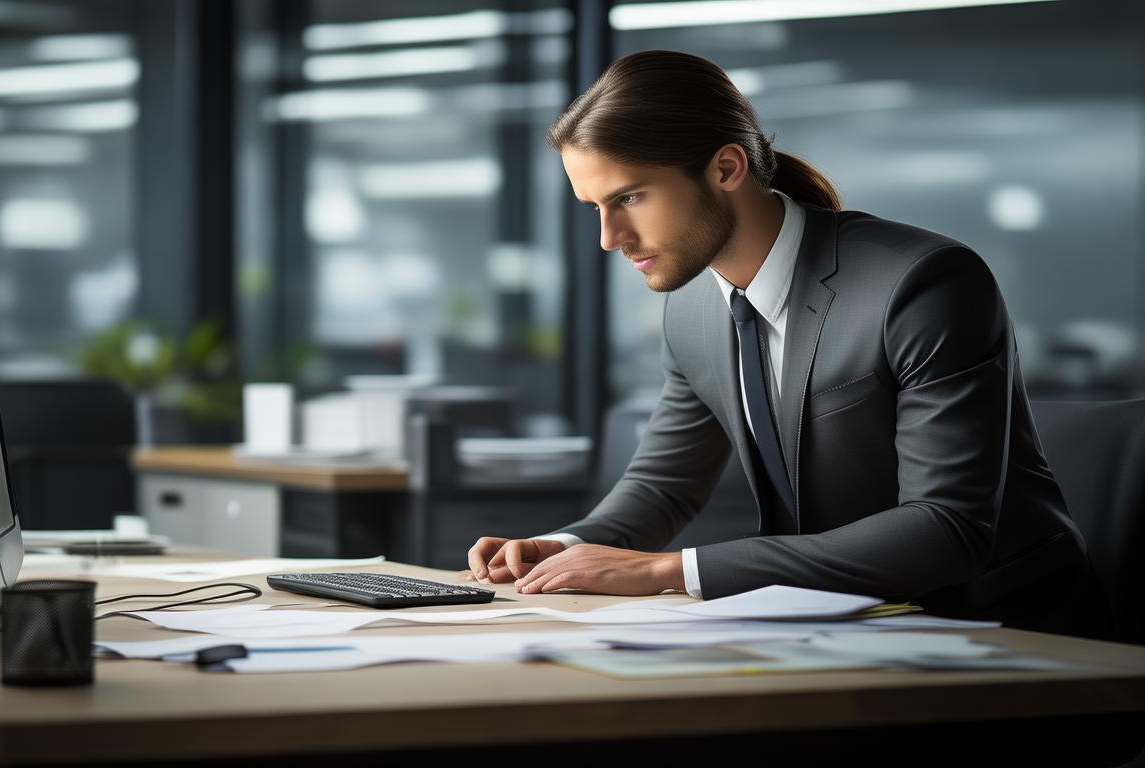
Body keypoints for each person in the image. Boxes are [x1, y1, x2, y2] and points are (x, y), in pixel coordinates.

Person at [466, 50, 1108, 637]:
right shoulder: (691, 307)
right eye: (595, 207)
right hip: (835, 626)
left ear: (725, 168)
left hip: (1007, 632)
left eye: (630, 197)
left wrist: (671, 571)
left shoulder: (920, 282)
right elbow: (661, 490)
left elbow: (946, 527)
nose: (611, 237)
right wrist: (558, 546)